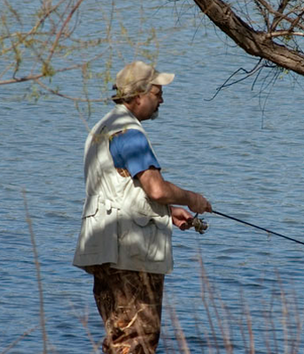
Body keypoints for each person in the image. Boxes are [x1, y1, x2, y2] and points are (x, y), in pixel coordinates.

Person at [73, 60, 212, 354]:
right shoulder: (130, 133)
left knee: (119, 338)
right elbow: (156, 188)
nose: (162, 98)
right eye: (157, 92)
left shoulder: (102, 128)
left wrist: (167, 211)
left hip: (102, 249)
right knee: (138, 340)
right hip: (130, 254)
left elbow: (120, 187)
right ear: (138, 96)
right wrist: (190, 198)